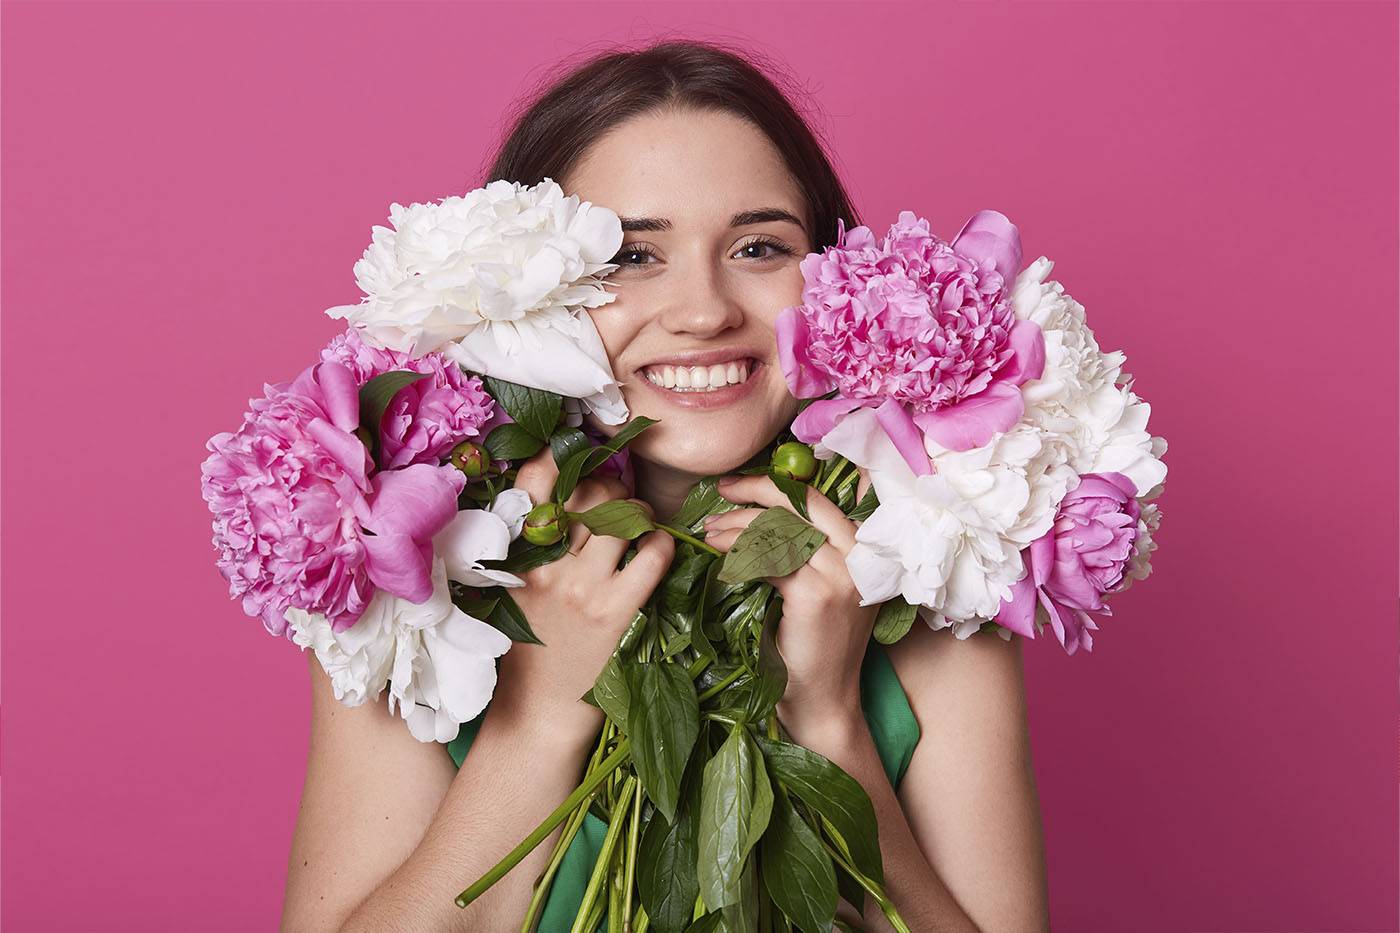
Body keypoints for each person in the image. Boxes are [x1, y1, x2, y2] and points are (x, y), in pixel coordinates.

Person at [281, 39, 1049, 933]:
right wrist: (536, 721)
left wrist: (832, 725)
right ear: (524, 291)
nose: (703, 310)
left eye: (760, 246)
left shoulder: (944, 592)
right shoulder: (402, 580)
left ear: (838, 278)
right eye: (633, 257)